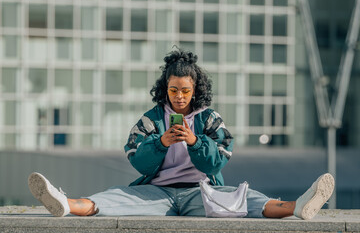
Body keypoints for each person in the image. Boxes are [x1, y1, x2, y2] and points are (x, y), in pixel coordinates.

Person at [28, 48, 335, 220]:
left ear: (194, 90)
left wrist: (194, 140)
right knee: (113, 199)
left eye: (185, 91)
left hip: (200, 192)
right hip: (157, 193)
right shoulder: (150, 120)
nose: (179, 97)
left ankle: (300, 206)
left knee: (245, 200)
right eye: (173, 90)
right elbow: (138, 162)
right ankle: (64, 202)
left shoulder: (210, 120)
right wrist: (161, 142)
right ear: (166, 89)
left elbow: (217, 163)